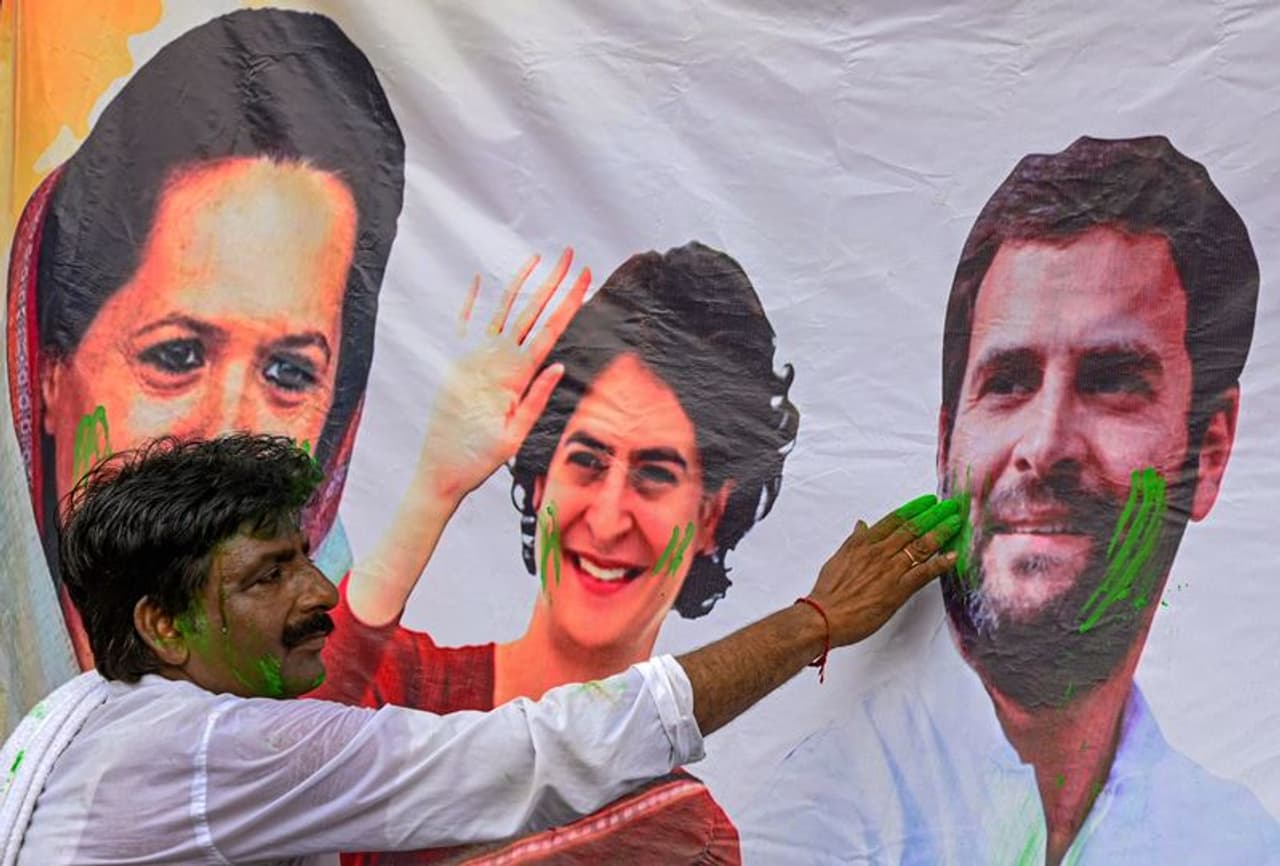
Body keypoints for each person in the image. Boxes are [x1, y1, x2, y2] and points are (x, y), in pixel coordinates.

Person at [0, 433, 962, 865]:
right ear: (164, 628)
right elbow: (536, 754)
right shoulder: (216, 750)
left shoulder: (90, 714)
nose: (318, 592)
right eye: (269, 576)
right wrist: (814, 622)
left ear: (718, 512)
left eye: (662, 472)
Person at [744, 136, 1280, 865]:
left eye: (1112, 380)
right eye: (1008, 382)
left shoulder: (1235, 841)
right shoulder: (821, 812)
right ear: (945, 445)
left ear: (1210, 451)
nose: (1045, 443)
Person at [314, 241, 800, 863]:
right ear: (540, 479)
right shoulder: (403, 689)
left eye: (654, 473)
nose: (607, 517)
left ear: (709, 515)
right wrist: (434, 487)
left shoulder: (685, 835)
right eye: (587, 463)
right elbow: (275, 756)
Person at [4, 7, 405, 669]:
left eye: (288, 373)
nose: (228, 432)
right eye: (177, 356)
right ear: (50, 368)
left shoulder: (343, 694)